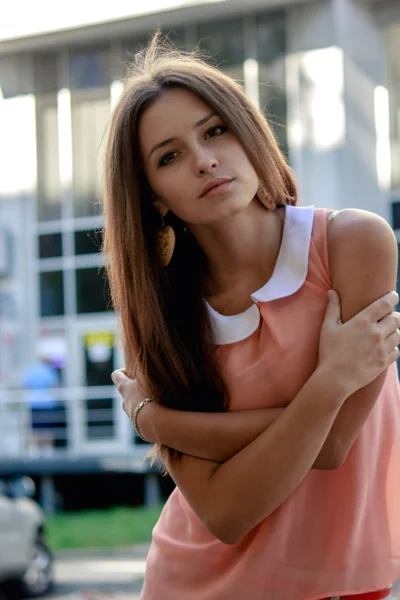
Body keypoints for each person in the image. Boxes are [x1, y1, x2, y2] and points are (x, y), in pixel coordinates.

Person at [105, 32, 400, 600]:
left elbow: (335, 445)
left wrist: (157, 422)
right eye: (169, 156)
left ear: (248, 130)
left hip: (347, 579)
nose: (205, 160)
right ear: (154, 196)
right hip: (195, 583)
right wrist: (331, 381)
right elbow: (223, 512)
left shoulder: (352, 244)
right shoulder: (158, 314)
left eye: (215, 130)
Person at [23, 354, 60, 455]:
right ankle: (48, 450)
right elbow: (54, 387)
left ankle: (33, 450)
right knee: (48, 429)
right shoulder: (49, 371)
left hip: (34, 403)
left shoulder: (31, 371)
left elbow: (26, 385)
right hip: (47, 404)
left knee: (35, 428)